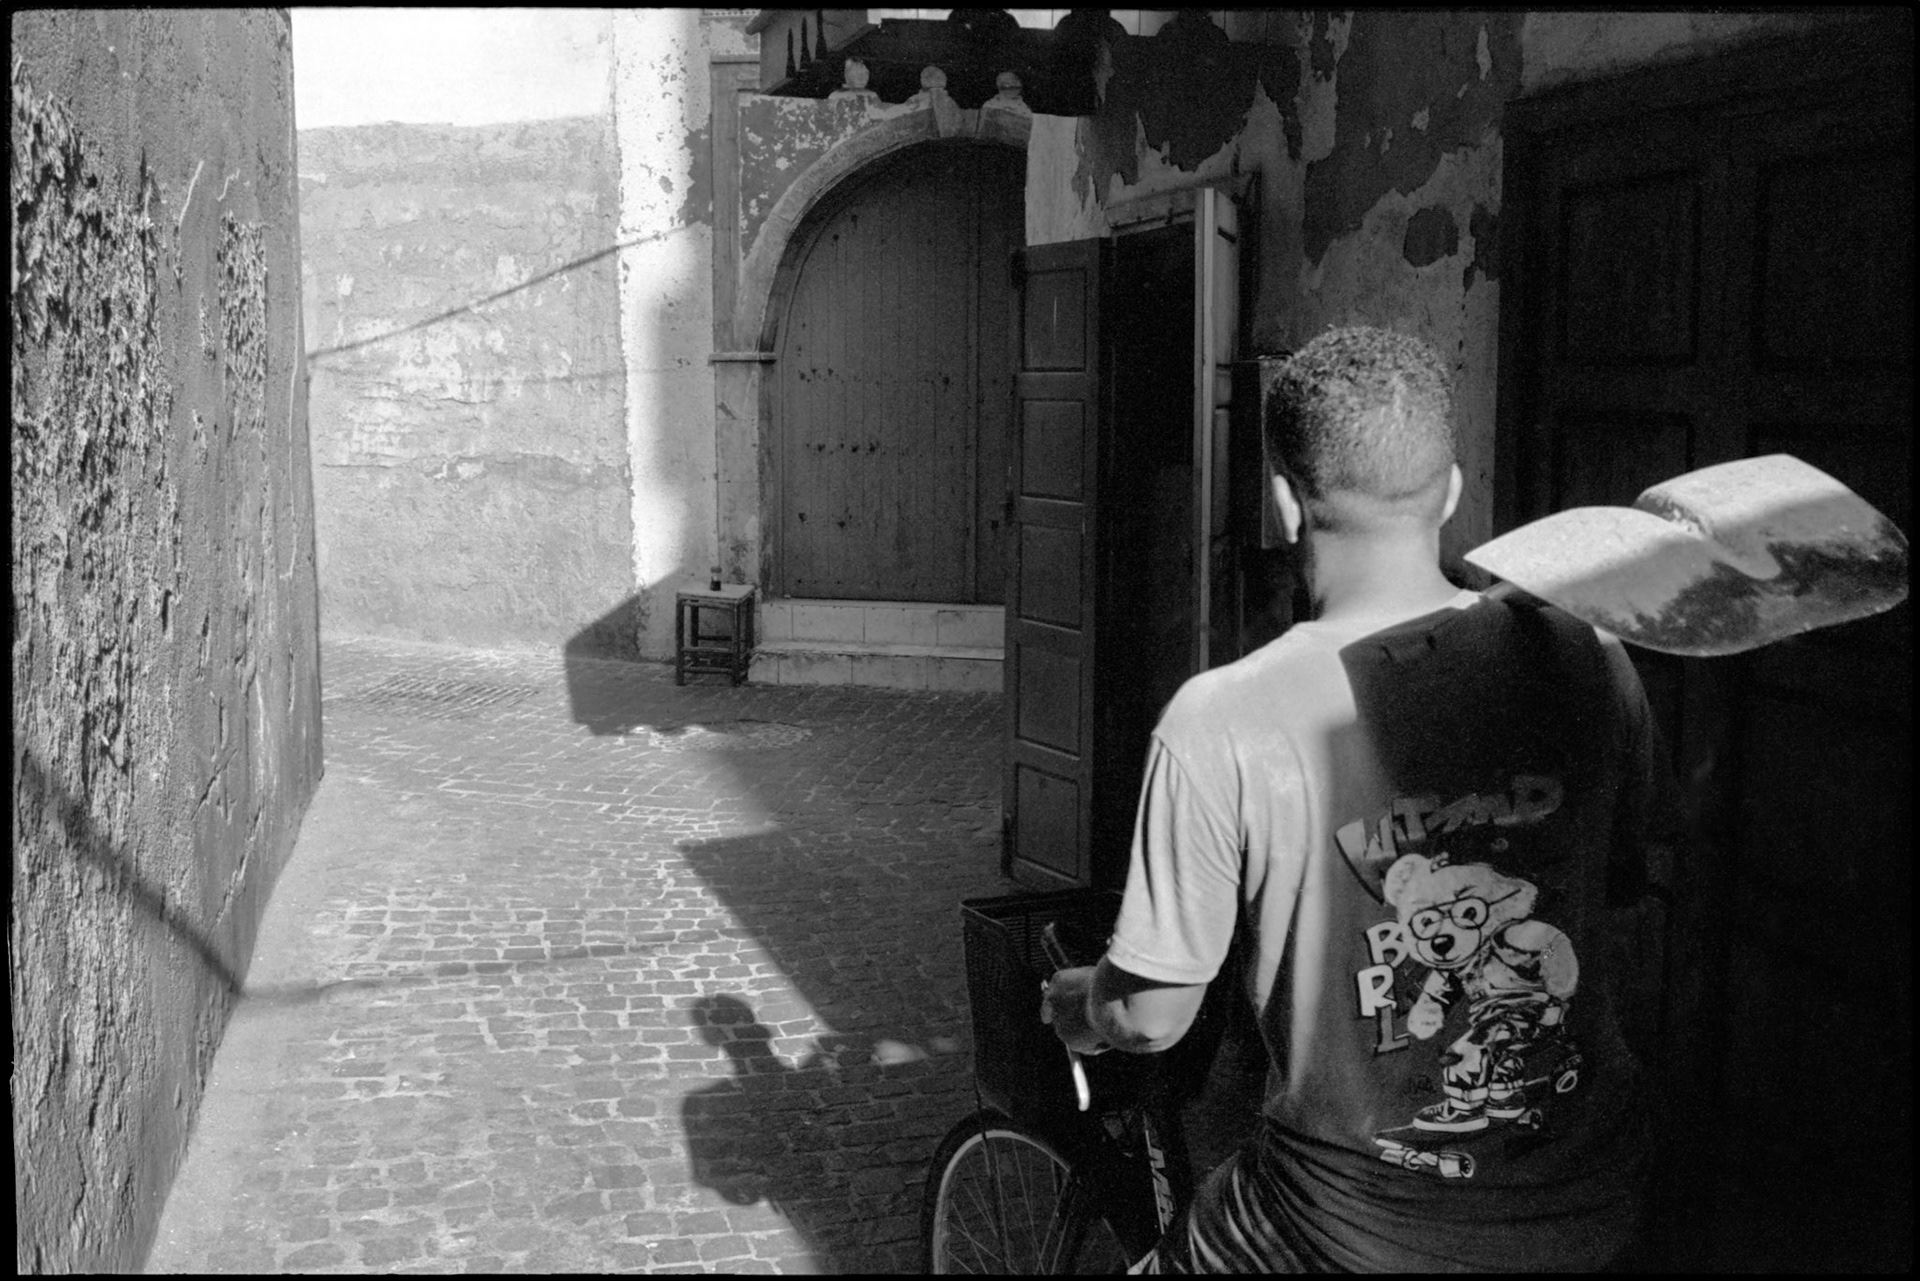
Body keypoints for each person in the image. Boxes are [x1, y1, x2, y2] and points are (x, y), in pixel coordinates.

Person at [1042, 325, 1681, 1272]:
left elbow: (1152, 1017)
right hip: (1593, 1196)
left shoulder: (1221, 719)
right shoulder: (1588, 656)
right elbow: (1628, 895)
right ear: (1451, 491)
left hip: (1339, 1229)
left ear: (1284, 504)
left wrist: (1086, 1001)